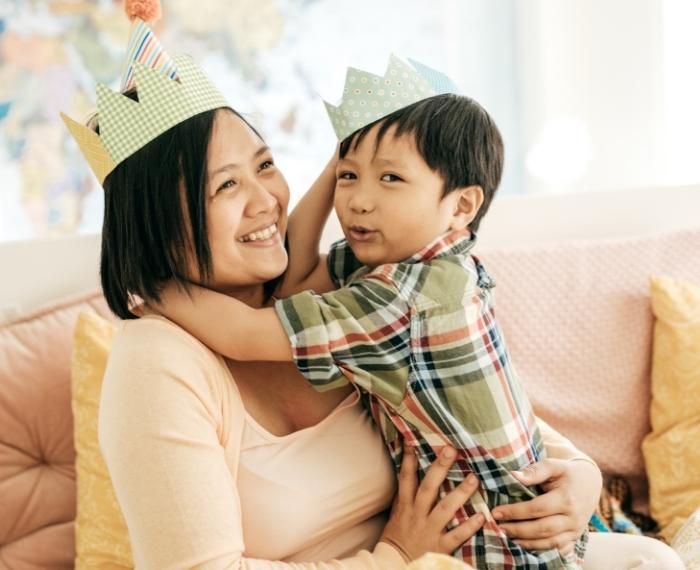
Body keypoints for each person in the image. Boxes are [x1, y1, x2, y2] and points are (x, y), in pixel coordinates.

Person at [64, 12, 684, 570]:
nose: (266, 202)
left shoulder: (350, 289)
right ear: (156, 223)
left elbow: (477, 402)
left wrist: (576, 475)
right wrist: (395, 556)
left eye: (266, 165)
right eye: (226, 187)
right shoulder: (158, 361)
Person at [156, 62, 582, 567]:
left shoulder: (402, 298)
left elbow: (247, 333)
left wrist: (153, 286)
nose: (358, 200)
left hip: (495, 547)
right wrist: (340, 162)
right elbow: (293, 279)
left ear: (462, 205)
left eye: (390, 178)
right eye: (349, 177)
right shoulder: (410, 262)